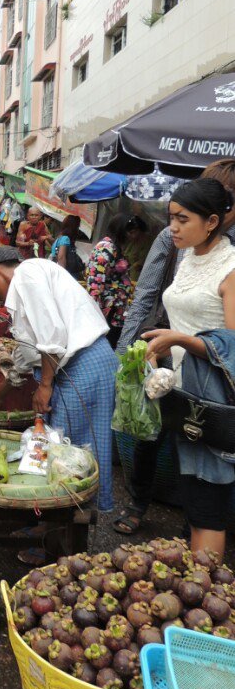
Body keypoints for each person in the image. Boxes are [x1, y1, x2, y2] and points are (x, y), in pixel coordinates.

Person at [113, 161, 235, 536]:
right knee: (151, 434)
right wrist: (125, 354)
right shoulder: (174, 239)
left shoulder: (226, 253)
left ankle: (196, 523)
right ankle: (138, 502)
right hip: (166, 353)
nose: (176, 224)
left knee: (201, 444)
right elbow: (147, 293)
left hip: (209, 372)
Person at [0, 246, 117, 513]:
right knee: (74, 448)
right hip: (90, 362)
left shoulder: (27, 275)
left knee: (70, 456)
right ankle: (64, 527)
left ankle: (66, 527)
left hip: (83, 365)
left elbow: (52, 338)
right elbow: (29, 352)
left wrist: (44, 386)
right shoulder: (34, 275)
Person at [143, 179, 235, 559]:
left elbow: (233, 344)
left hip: (215, 403)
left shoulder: (230, 268)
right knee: (195, 504)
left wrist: (178, 339)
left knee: (208, 509)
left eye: (183, 219)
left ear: (212, 221)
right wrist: (158, 351)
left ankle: (207, 601)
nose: (173, 228)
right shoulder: (189, 257)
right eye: (170, 218)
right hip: (187, 396)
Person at [85, 214, 141, 349]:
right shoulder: (105, 248)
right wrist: (95, 313)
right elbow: (95, 281)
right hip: (105, 309)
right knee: (104, 345)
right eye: (131, 232)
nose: (133, 237)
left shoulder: (116, 248)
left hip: (115, 308)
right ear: (121, 230)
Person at [50, 214, 84, 278]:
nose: (78, 229)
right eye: (77, 227)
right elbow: (61, 257)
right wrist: (64, 276)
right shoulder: (65, 238)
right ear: (73, 227)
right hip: (65, 275)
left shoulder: (60, 237)